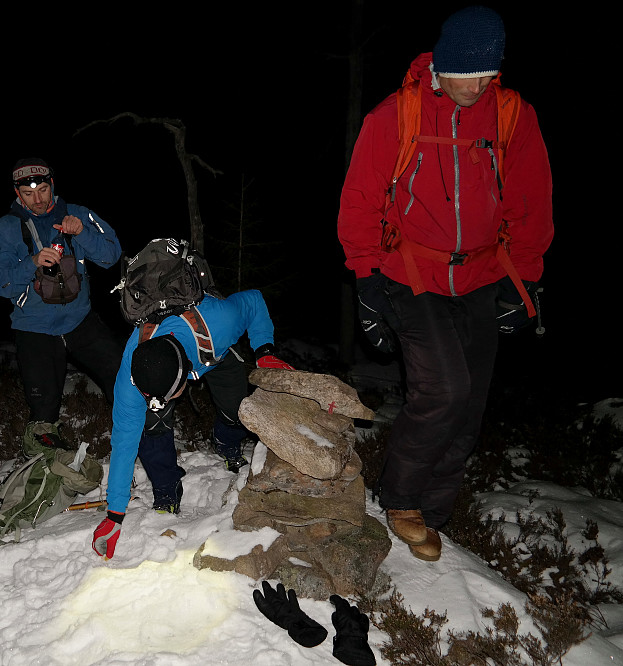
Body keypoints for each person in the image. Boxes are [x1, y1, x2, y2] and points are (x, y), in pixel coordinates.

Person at [337, 6, 553, 562]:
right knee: (444, 391)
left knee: (471, 405)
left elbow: (531, 200)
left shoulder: (510, 116)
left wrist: (526, 280)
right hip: (413, 271)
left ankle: (435, 514)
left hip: (483, 273)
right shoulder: (397, 115)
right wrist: (366, 282)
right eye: (468, 74)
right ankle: (400, 499)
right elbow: (361, 199)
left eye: (488, 75)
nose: (478, 86)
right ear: (444, 63)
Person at [91, 289, 293, 559]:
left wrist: (264, 349)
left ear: (184, 380)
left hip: (216, 349)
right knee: (151, 428)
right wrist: (114, 515)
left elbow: (254, 299)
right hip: (172, 361)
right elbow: (124, 443)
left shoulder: (223, 320)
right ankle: (167, 491)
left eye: (168, 396)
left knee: (238, 413)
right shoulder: (131, 377)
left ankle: (227, 442)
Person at [0, 158, 123, 453]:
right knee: (43, 407)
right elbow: (2, 285)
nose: (37, 199)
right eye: (28, 194)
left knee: (121, 378)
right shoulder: (6, 228)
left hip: (81, 320)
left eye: (43, 190)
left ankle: (131, 446)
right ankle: (45, 468)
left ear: (53, 186)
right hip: (34, 328)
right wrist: (33, 263)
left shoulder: (78, 214)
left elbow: (111, 256)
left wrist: (82, 233)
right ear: (17, 194)